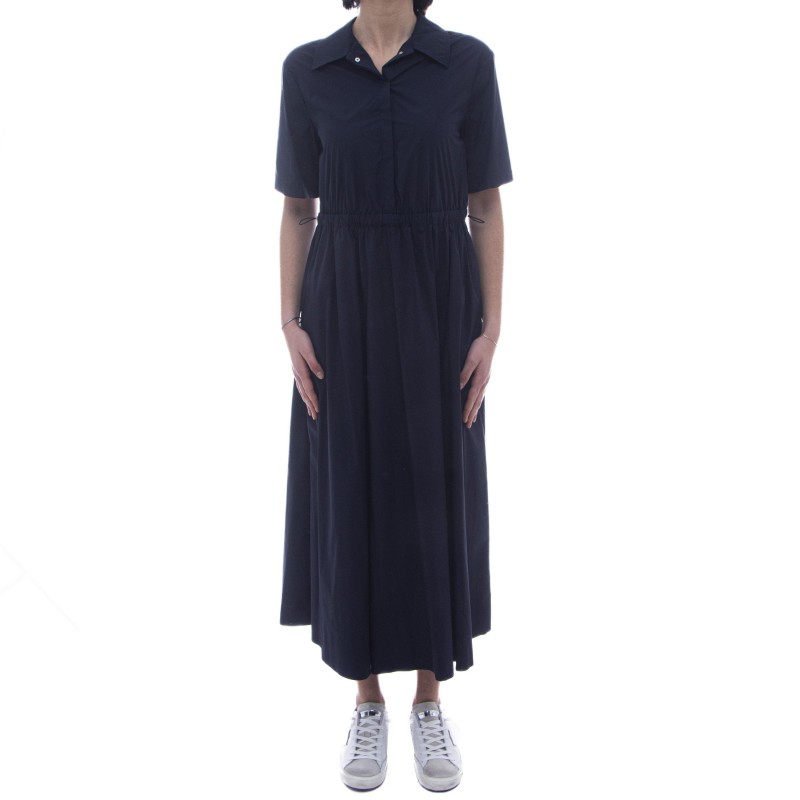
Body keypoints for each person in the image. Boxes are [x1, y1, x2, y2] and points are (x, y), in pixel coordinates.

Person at [274, 0, 512, 790]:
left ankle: (429, 701)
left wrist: (492, 330)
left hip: (441, 306)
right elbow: (297, 210)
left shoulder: (466, 64)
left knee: (433, 491)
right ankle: (367, 701)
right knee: (352, 489)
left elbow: (486, 206)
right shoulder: (308, 70)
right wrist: (288, 322)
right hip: (340, 308)